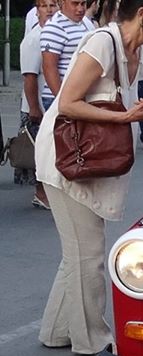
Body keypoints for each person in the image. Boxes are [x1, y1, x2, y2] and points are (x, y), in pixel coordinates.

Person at [34, 0, 143, 356]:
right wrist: (123, 118)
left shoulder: (139, 52)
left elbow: (117, 99)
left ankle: (56, 330)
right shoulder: (102, 43)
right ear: (142, 14)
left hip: (91, 161)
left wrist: (133, 110)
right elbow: (68, 102)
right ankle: (92, 339)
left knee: (78, 252)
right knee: (89, 253)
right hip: (68, 159)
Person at [16, 0, 58, 210]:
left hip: (53, 103)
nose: (49, 10)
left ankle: (49, 191)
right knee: (41, 153)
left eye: (53, 5)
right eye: (44, 6)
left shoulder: (55, 35)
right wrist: (34, 108)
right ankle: (41, 193)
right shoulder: (33, 39)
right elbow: (29, 77)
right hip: (38, 105)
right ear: (37, 10)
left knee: (52, 152)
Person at [40, 0, 94, 110]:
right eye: (75, 4)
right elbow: (49, 68)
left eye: (83, 4)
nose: (80, 9)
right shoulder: (54, 27)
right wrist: (61, 99)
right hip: (60, 97)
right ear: (62, 3)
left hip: (81, 96)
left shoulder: (86, 23)